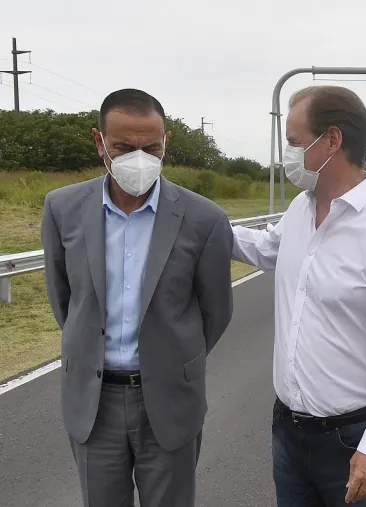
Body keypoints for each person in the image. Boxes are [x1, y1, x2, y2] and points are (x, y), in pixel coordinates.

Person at [231, 85, 366, 506]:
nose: (287, 153)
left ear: (332, 141)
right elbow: (267, 249)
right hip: (289, 431)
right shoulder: (302, 209)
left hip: (353, 439)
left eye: (294, 142)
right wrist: (196, 223)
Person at [40, 88, 234, 507]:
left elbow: (215, 311)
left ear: (167, 144)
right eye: (124, 147)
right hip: (94, 403)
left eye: (151, 147)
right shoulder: (62, 208)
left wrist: (174, 360)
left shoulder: (205, 219)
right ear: (99, 143)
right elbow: (65, 300)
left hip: (168, 401)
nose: (139, 158)